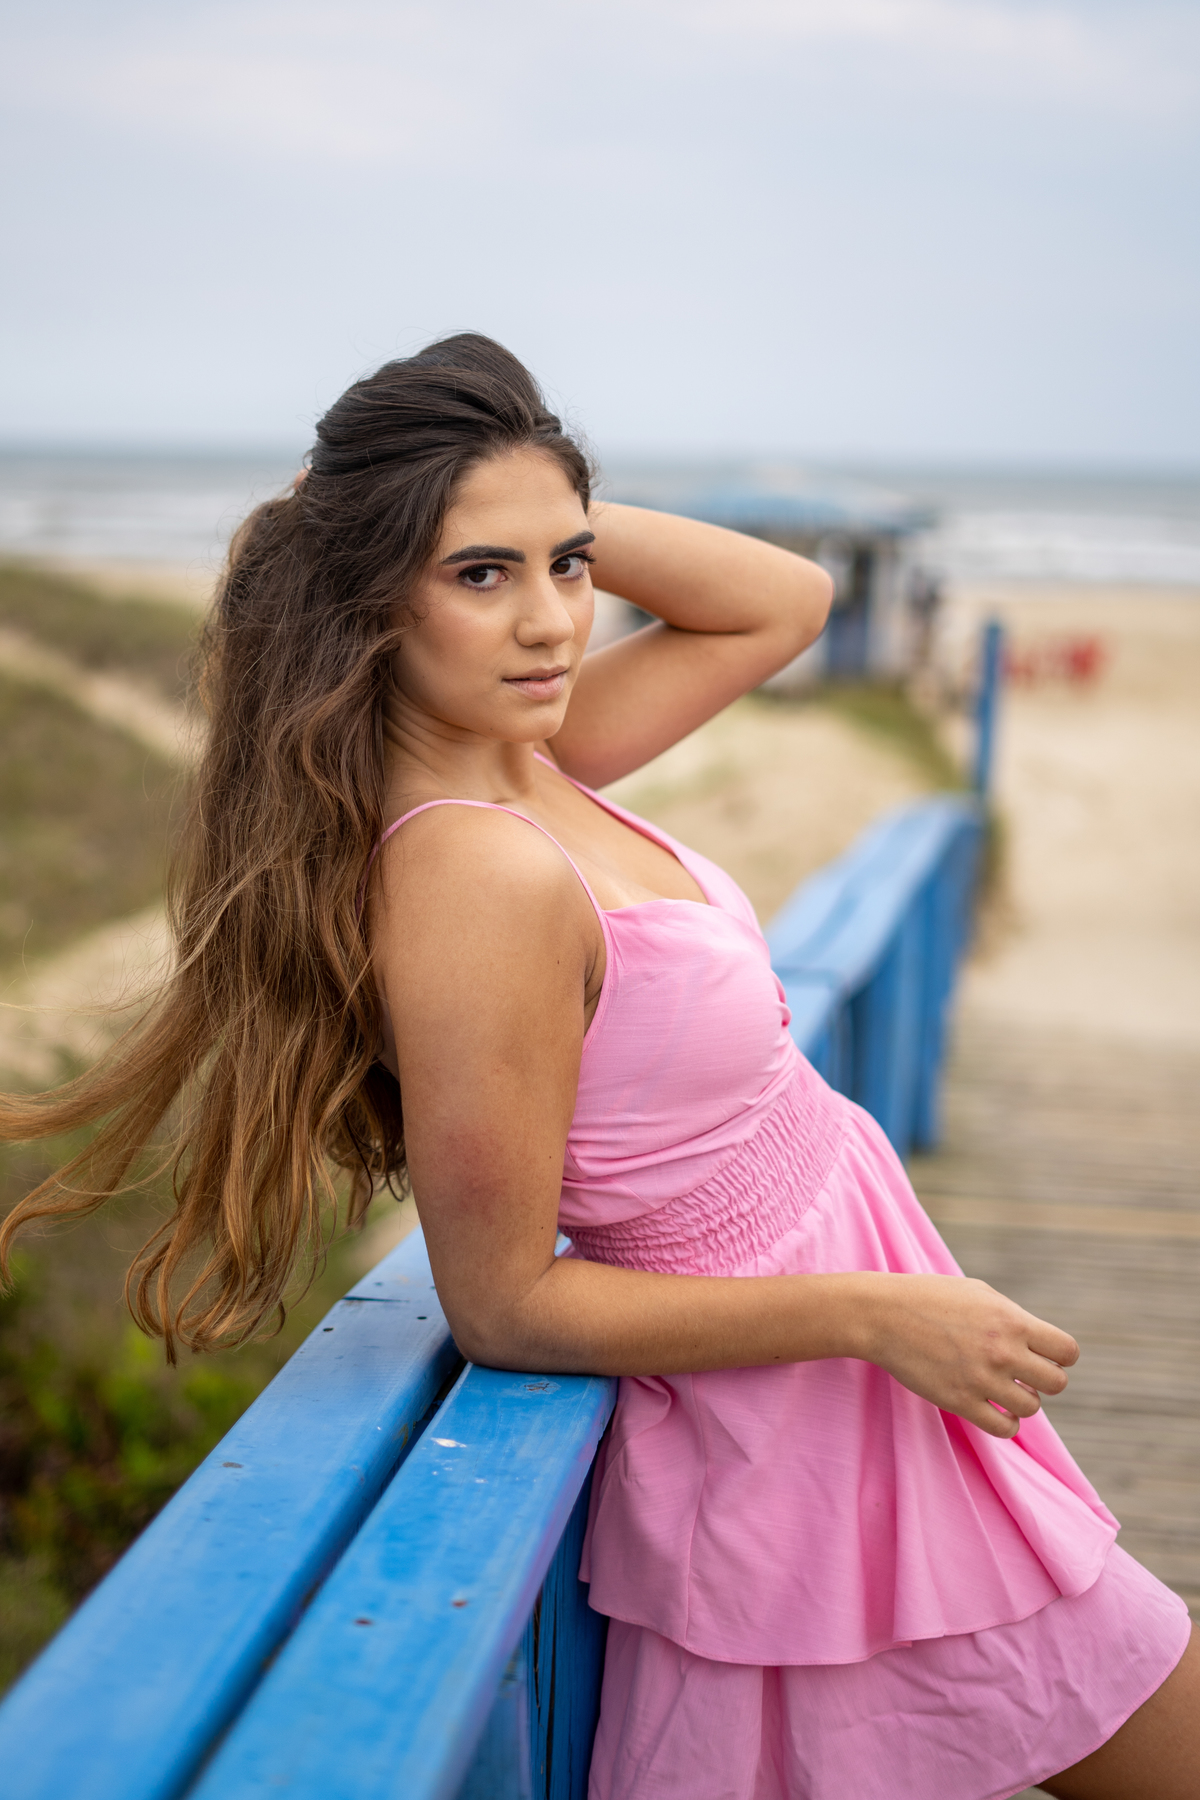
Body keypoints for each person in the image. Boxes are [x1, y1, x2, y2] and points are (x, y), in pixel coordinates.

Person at [1, 335, 1194, 1800]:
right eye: (479, 576)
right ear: (372, 592)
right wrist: (876, 1316)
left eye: (568, 567)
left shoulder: (535, 760)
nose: (552, 620)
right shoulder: (473, 872)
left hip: (853, 1384)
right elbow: (501, 1303)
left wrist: (523, 496)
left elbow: (786, 600)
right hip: (794, 1423)